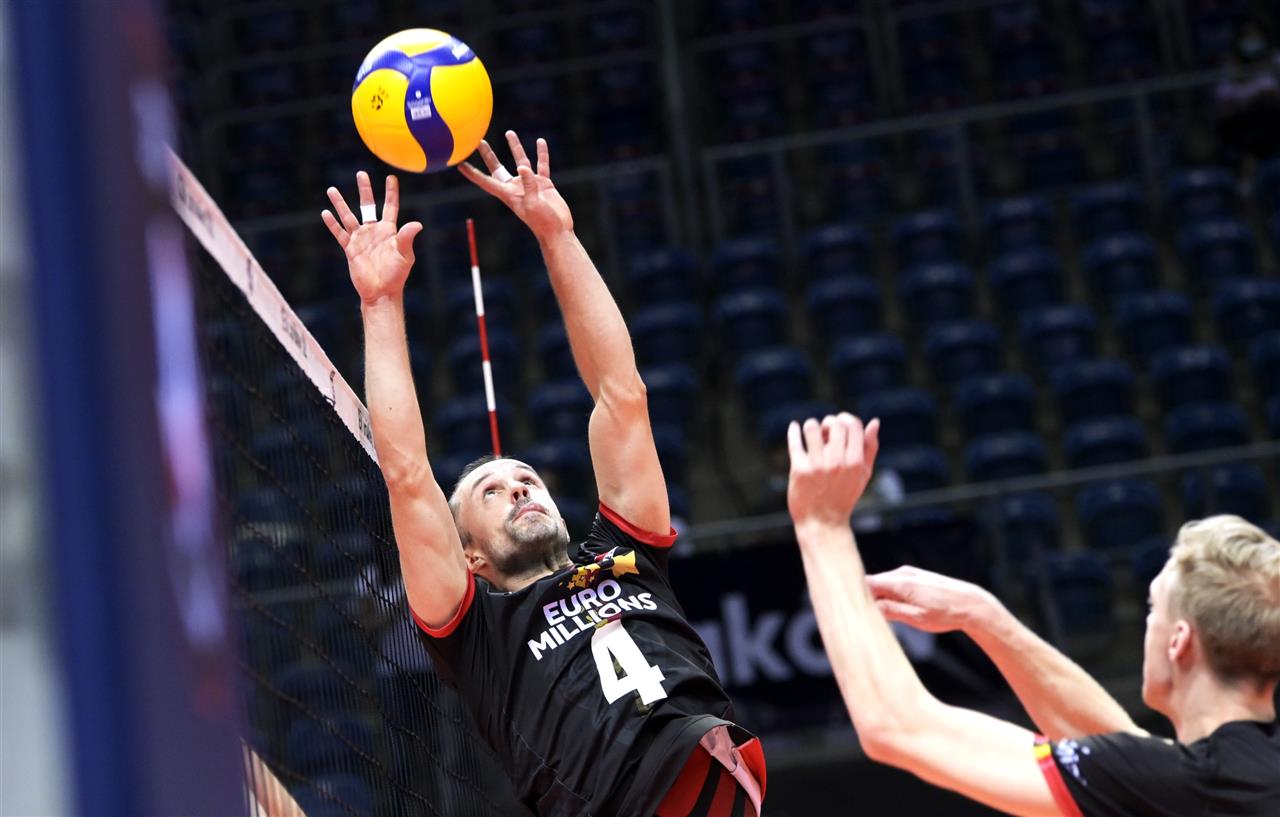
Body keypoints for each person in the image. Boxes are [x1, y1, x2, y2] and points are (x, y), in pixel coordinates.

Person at [319, 131, 764, 817]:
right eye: (491, 492)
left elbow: (621, 394)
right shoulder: (477, 636)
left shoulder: (629, 558)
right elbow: (406, 474)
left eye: (525, 478)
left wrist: (558, 235)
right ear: (469, 554)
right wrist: (380, 303)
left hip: (715, 787)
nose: (519, 488)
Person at [783, 412, 1280, 817]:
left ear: (1179, 641)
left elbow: (899, 726)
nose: (1147, 620)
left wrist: (822, 526)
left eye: (1153, 608)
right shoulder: (1235, 774)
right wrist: (985, 619)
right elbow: (1125, 754)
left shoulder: (1198, 782)